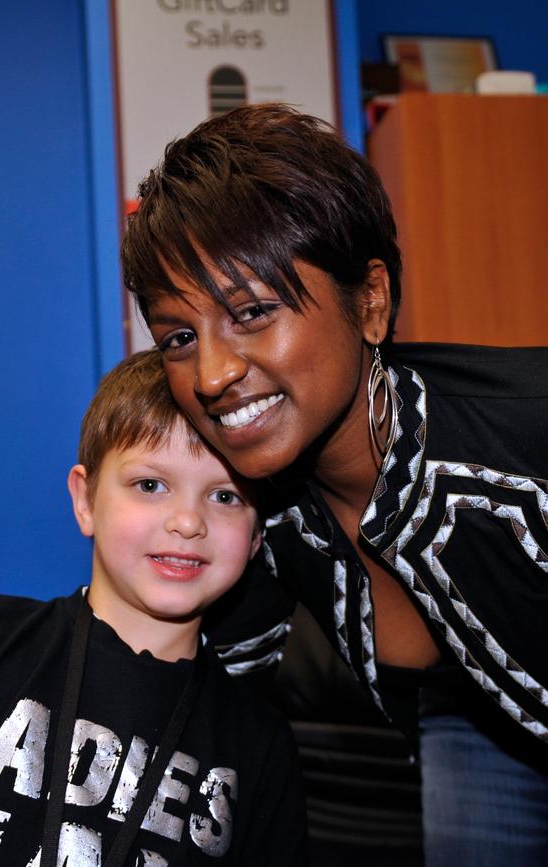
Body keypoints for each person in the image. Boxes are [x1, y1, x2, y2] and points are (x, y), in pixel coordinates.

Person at [116, 104, 548, 865]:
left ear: (370, 301)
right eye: (179, 336)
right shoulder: (260, 508)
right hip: (469, 723)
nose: (212, 374)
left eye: (252, 311)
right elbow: (179, 679)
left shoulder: (521, 441)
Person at [0, 349, 308, 866]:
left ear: (255, 538)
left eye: (225, 497)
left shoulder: (259, 746)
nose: (187, 521)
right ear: (86, 499)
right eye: (150, 485)